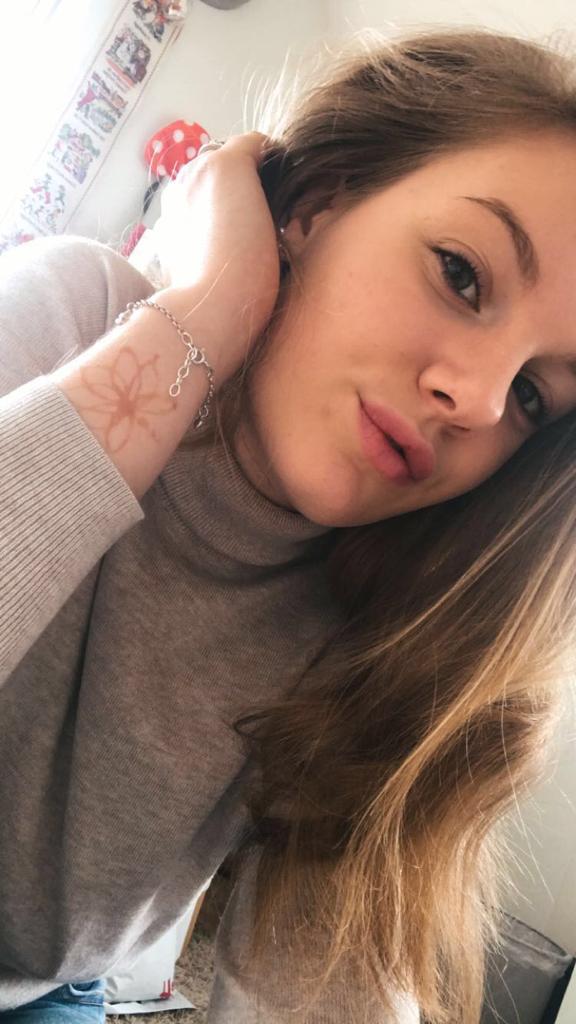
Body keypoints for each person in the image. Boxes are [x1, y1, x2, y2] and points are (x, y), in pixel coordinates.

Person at [1, 24, 576, 1024]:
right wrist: (211, 306)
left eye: (534, 395)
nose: (479, 400)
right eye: (461, 273)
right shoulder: (76, 311)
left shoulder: (396, 632)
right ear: (316, 206)